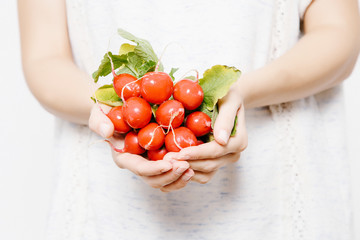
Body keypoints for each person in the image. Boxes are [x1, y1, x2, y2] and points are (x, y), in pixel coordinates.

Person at [18, 0, 360, 239]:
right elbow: (44, 60)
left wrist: (243, 91)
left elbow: (339, 36)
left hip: (278, 201)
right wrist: (114, 115)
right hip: (105, 211)